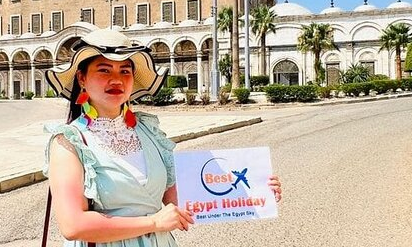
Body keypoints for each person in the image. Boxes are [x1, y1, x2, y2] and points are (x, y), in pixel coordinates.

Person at [44, 28, 282, 246]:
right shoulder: (69, 142)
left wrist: (255, 191)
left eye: (125, 71)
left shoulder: (148, 131)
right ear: (82, 78)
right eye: (104, 70)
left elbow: (183, 200)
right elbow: (73, 225)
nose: (116, 79)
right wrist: (154, 223)